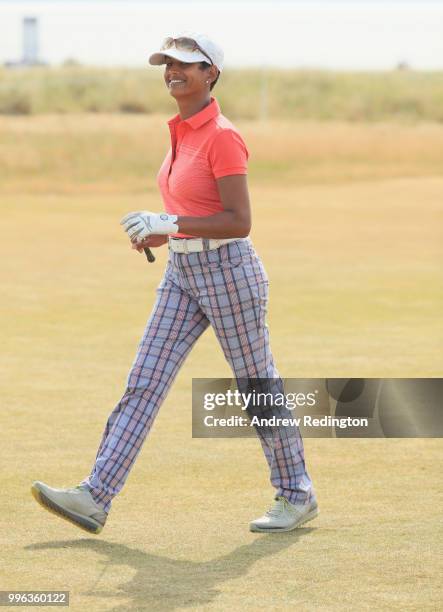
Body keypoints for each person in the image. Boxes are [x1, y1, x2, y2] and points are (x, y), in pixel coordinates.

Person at [31, 32, 318, 535]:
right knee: (144, 381)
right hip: (182, 274)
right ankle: (95, 497)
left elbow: (238, 220)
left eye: (185, 64)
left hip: (229, 273)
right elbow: (190, 214)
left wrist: (168, 222)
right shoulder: (181, 131)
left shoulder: (223, 135)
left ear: (211, 74)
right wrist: (158, 235)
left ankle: (297, 494)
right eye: (167, 63)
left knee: (256, 386)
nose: (172, 71)